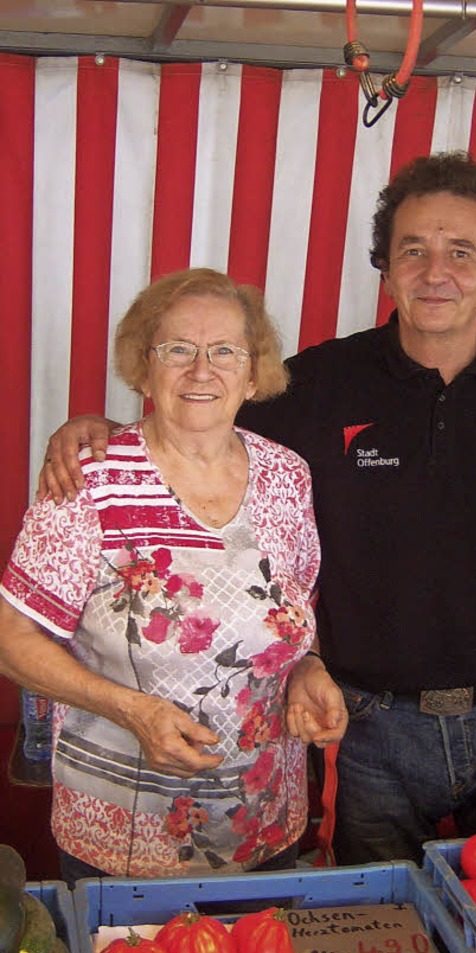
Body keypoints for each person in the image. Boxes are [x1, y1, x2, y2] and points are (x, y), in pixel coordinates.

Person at [38, 154, 476, 868]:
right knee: (380, 943)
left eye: (461, 253)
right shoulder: (319, 382)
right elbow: (197, 414)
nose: (435, 271)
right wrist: (96, 430)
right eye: (412, 250)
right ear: (386, 267)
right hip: (365, 730)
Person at [0, 268, 347, 883]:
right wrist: (129, 709)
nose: (201, 369)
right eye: (178, 349)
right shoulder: (91, 480)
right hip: (123, 831)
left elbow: (296, 608)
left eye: (224, 351)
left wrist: (308, 667)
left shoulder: (286, 476)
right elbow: (12, 638)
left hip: (265, 819)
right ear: (144, 363)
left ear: (253, 369)